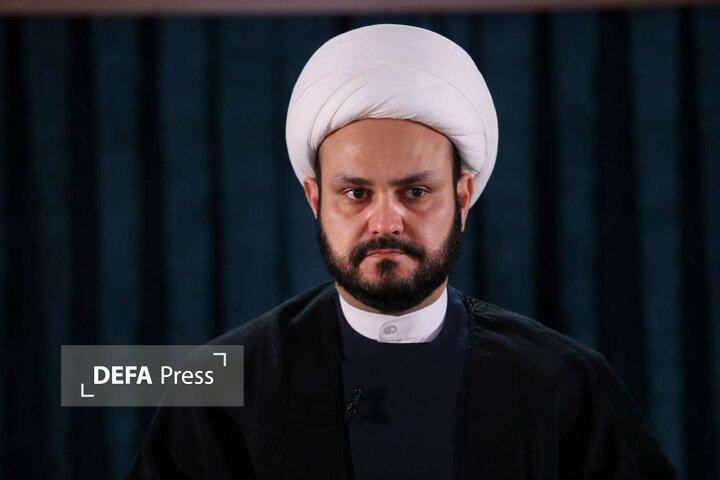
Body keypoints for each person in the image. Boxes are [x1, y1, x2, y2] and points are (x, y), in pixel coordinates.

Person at [128, 24, 677, 479]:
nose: (386, 222)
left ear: (462, 196)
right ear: (314, 200)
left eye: (415, 192)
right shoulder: (219, 387)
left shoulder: (566, 382)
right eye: (356, 193)